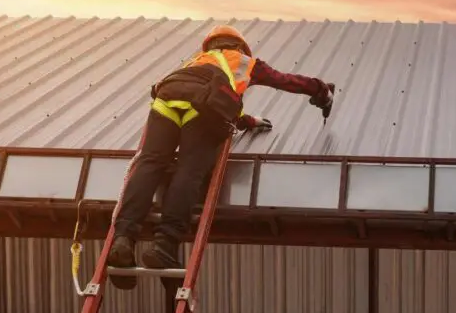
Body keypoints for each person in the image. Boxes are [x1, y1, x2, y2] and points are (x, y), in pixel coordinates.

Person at [107, 24, 335, 290]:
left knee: (150, 164)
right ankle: (164, 244)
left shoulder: (197, 60)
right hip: (200, 108)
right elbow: (285, 80)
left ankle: (123, 239)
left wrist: (247, 120)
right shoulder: (245, 62)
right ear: (240, 47)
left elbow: (211, 94)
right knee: (189, 170)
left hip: (166, 98)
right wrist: (321, 90)